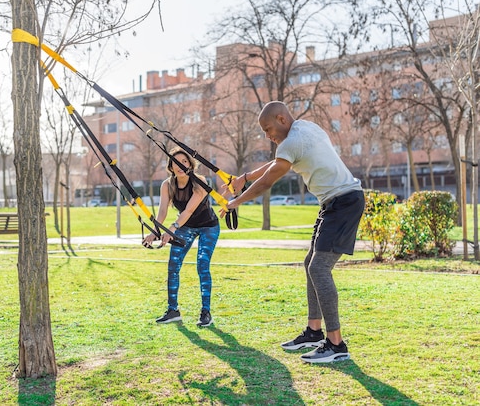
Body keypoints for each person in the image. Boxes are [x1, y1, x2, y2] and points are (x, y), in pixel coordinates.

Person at [222, 101, 364, 363]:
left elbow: (269, 179)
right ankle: (313, 331)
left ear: (281, 119)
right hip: (335, 201)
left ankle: (336, 344)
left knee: (319, 268)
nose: (268, 136)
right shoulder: (305, 129)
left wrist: (236, 201)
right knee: (310, 262)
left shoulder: (290, 143)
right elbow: (278, 163)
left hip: (343, 202)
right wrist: (245, 177)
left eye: (268, 129)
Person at [143, 147, 221, 327]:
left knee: (202, 264)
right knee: (173, 265)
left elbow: (188, 210)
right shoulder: (167, 185)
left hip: (208, 227)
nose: (180, 165)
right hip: (185, 227)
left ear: (190, 164)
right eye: (176, 162)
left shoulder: (200, 181)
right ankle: (173, 311)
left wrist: (171, 229)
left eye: (184, 161)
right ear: (170, 166)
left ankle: (205, 312)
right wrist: (155, 232)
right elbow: (162, 212)